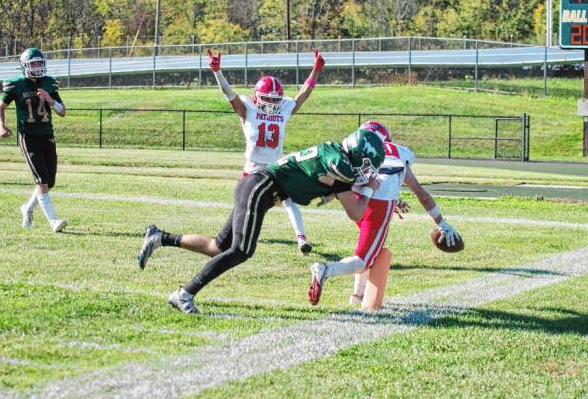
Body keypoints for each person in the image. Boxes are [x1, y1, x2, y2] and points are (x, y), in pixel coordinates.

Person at [136, 128, 386, 314]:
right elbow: (355, 212)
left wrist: (360, 184)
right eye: (366, 165)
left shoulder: (336, 153)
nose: (366, 171)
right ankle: (184, 294)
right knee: (241, 251)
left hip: (259, 187)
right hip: (262, 187)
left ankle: (160, 237)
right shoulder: (340, 165)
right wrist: (369, 189)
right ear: (357, 154)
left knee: (218, 248)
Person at [308, 120, 461, 310]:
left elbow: (361, 175)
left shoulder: (354, 145)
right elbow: (421, 195)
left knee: (368, 248)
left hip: (354, 197)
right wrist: (442, 223)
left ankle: (358, 296)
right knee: (364, 260)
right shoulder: (398, 152)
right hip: (379, 203)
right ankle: (325, 270)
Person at [205, 48, 325, 254]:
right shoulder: (247, 108)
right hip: (252, 169)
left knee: (288, 199)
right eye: (267, 99)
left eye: (274, 99)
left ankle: (301, 238)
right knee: (243, 211)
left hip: (274, 167)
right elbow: (229, 94)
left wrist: (315, 71)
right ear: (257, 97)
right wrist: (217, 72)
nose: (271, 103)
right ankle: (229, 238)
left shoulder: (283, 107)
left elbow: (303, 95)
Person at [0, 47, 68, 233]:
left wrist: (49, 99)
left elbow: (62, 112)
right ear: (25, 66)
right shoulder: (17, 84)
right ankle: (53, 222)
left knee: (49, 182)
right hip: (29, 136)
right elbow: (0, 107)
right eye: (33, 63)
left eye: (39, 63)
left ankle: (27, 208)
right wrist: (1, 126)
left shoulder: (49, 83)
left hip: (47, 135)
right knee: (41, 179)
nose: (37, 66)